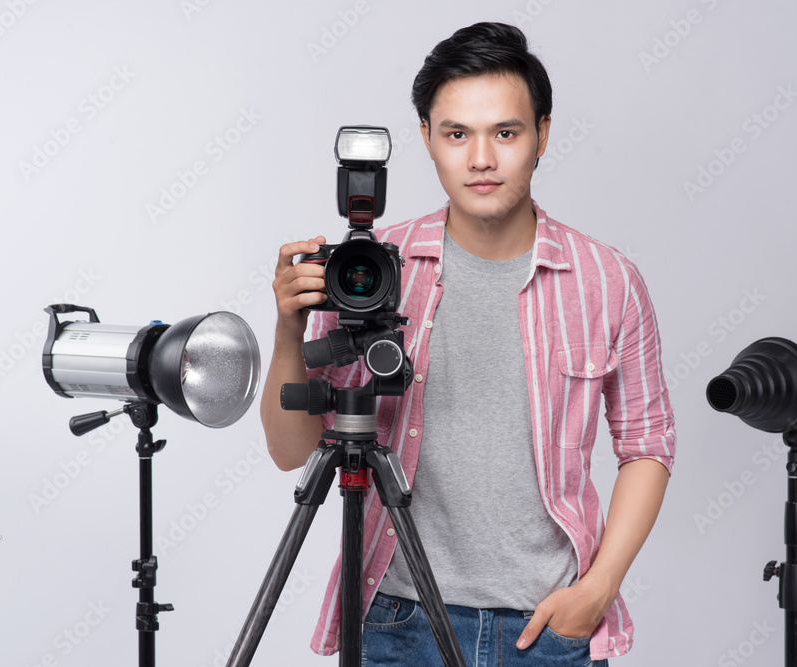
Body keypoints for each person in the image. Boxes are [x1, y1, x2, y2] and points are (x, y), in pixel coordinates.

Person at [261, 21, 676, 666]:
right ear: (426, 138)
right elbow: (292, 452)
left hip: (546, 623)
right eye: (457, 134)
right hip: (396, 618)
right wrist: (290, 326)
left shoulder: (608, 281)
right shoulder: (369, 271)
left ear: (542, 133)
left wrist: (596, 591)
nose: (481, 159)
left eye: (505, 133)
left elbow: (648, 443)